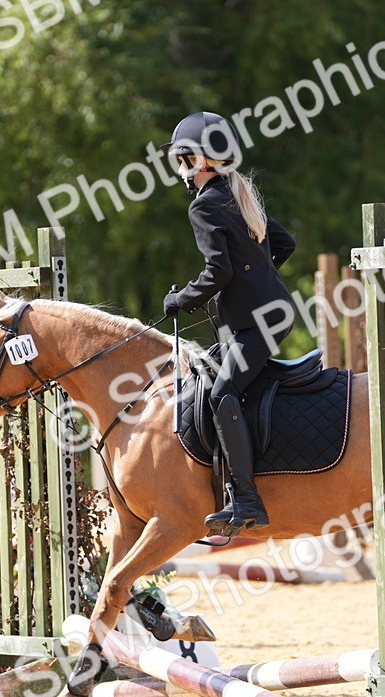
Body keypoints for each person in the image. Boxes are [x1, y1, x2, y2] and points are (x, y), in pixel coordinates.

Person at [159, 111, 296, 531]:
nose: (179, 167)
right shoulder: (238, 196)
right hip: (274, 313)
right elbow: (284, 243)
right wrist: (260, 278)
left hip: (258, 324)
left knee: (221, 393)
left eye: (180, 158)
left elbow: (218, 271)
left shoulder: (204, 207)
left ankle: (248, 499)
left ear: (194, 161)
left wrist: (180, 299)